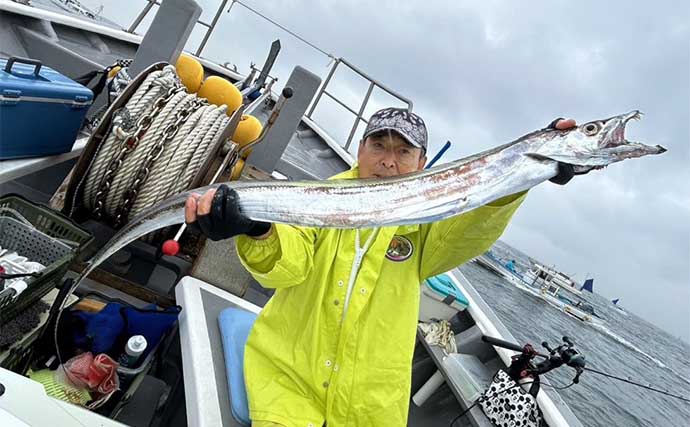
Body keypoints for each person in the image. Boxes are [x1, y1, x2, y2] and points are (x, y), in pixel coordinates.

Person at [185, 108, 576, 427]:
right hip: (287, 385)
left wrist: (521, 178)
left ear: (422, 163)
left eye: (404, 152)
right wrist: (258, 229)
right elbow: (287, 269)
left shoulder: (428, 230)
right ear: (360, 149)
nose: (388, 161)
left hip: (370, 410)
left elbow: (471, 231)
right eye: (379, 145)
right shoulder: (317, 201)